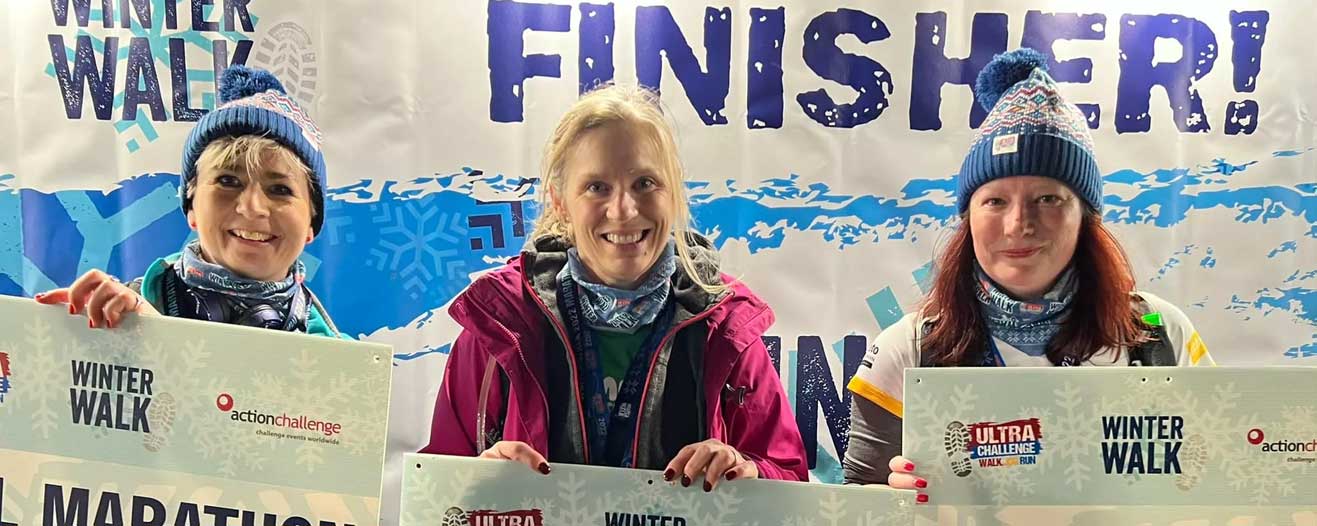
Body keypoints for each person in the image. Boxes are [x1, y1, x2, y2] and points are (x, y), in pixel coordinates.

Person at [842, 49, 1214, 501]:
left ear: (1086, 216)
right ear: (969, 217)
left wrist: (1194, 473)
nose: (1019, 224)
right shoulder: (910, 348)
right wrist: (896, 497)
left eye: (1048, 199)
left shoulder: (1158, 333)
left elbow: (1218, 476)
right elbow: (856, 503)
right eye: (995, 200)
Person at [422, 84, 808, 490]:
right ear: (559, 201)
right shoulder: (501, 323)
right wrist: (479, 478)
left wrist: (746, 469)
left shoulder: (725, 325)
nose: (623, 210)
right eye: (596, 187)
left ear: (673, 193)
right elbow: (435, 491)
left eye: (645, 183)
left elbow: (789, 481)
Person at [35, 65, 342, 338]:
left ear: (310, 226)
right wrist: (117, 338)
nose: (252, 207)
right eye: (227, 181)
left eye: (280, 189)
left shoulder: (346, 376)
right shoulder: (117, 320)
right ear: (191, 208)